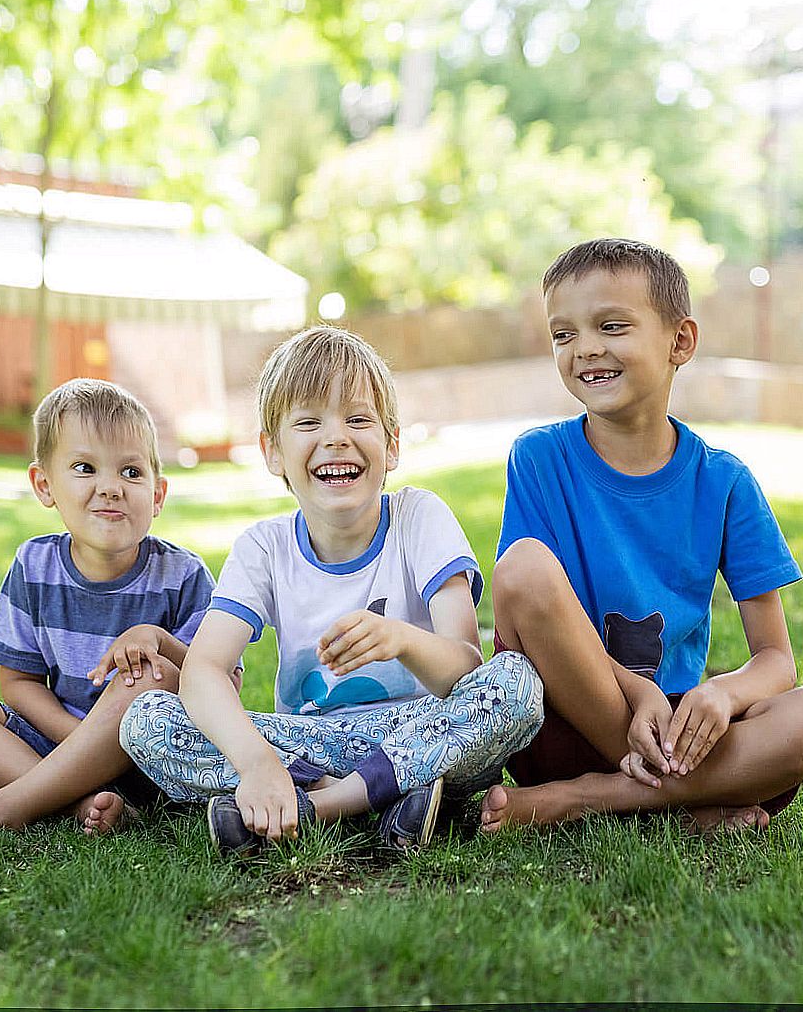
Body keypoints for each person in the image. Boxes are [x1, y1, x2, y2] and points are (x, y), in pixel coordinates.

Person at [122, 325, 545, 853]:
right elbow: (204, 669)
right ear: (272, 452)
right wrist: (258, 761)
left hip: (421, 729)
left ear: (391, 445)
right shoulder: (264, 548)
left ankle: (317, 807)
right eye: (308, 422)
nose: (336, 437)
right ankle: (384, 798)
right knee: (146, 721)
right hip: (306, 744)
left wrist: (403, 641)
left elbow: (466, 666)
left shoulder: (420, 518)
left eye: (358, 419)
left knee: (516, 684)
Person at [478, 238, 803, 834]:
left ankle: (592, 800)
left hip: (676, 737)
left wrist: (722, 694)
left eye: (612, 325)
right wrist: (636, 695)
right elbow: (521, 608)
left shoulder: (723, 482)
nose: (585, 349)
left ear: (680, 342)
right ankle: (688, 804)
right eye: (563, 334)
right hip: (563, 726)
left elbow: (776, 660)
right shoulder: (538, 458)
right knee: (522, 566)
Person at [0, 378, 223, 835]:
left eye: (131, 472)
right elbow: (19, 682)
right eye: (85, 468)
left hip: (148, 755)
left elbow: (220, 682)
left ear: (158, 495)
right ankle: (77, 802)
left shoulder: (182, 574)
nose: (111, 488)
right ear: (45, 485)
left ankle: (4, 808)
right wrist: (73, 740)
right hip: (54, 741)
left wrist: (159, 645)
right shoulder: (35, 565)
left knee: (148, 676)